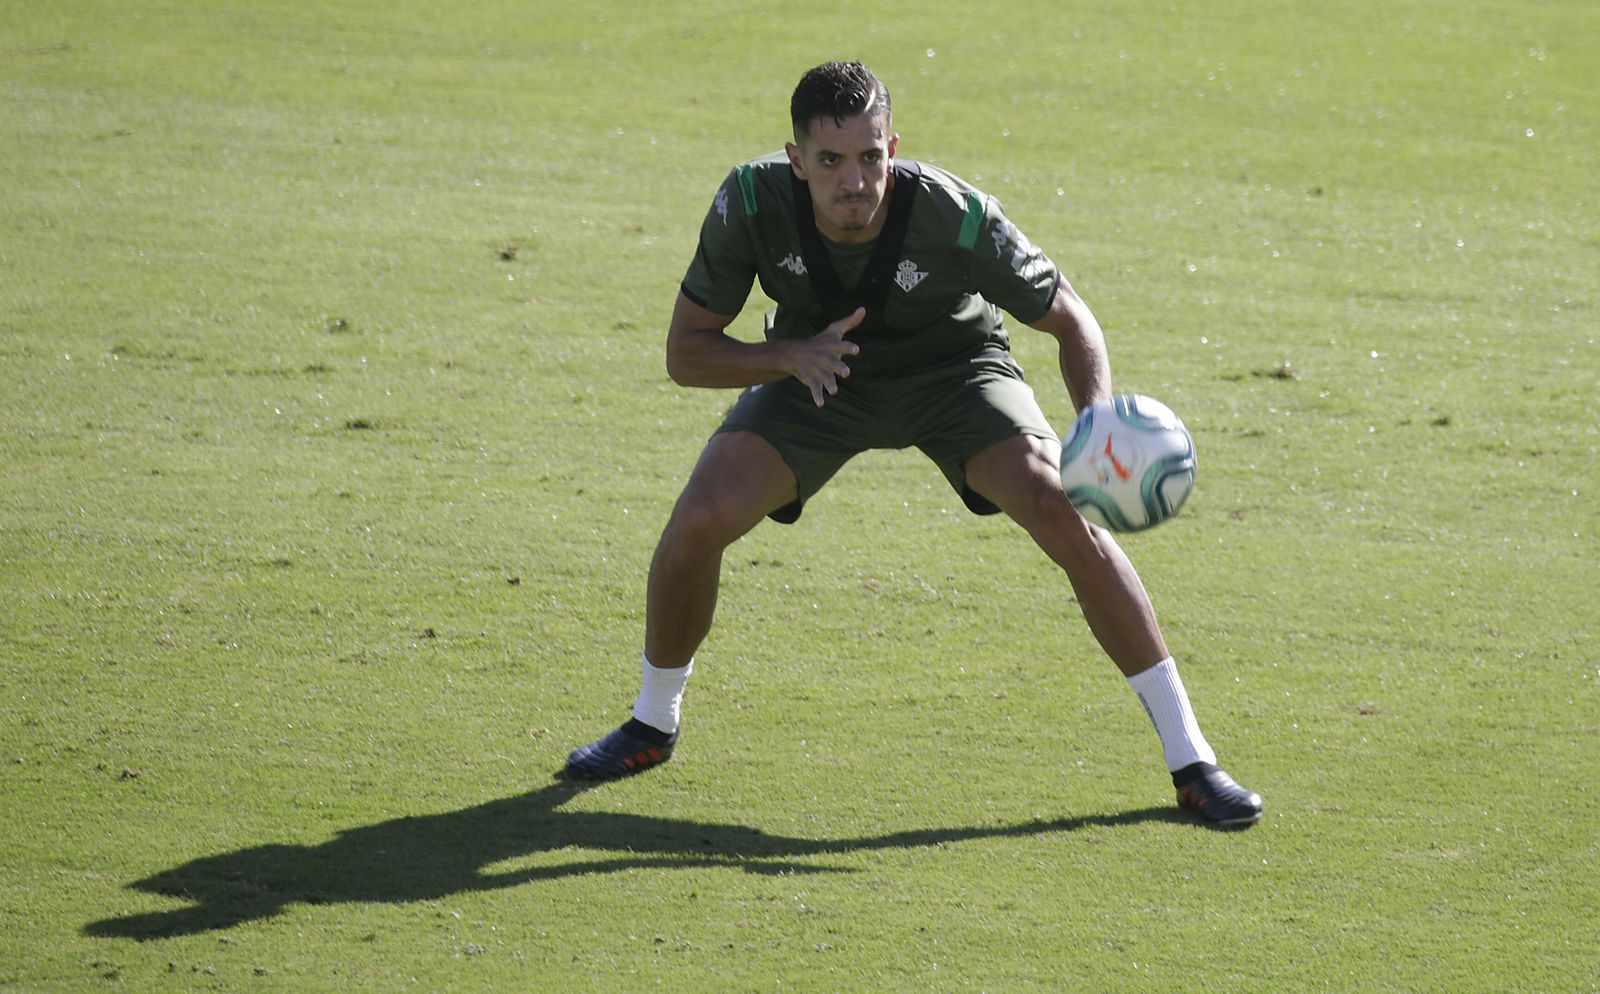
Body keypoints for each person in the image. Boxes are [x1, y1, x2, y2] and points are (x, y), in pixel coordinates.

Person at [565, 61, 1263, 827]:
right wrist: (785, 356)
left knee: (1060, 507)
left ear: (893, 147)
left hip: (954, 374)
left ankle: (1192, 761)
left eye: (870, 157)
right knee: (696, 522)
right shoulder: (750, 202)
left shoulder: (955, 213)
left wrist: (1094, 421)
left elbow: (1071, 319)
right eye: (830, 162)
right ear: (795, 161)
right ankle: (652, 723)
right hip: (816, 375)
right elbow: (684, 353)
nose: (854, 181)